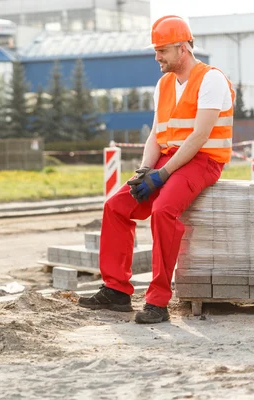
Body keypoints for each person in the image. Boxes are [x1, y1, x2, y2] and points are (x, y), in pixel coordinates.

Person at [78, 15, 235, 324]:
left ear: (182, 49)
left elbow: (199, 137)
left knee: (163, 210)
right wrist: (145, 170)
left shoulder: (211, 79)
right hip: (168, 158)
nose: (156, 57)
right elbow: (156, 134)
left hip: (204, 160)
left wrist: (161, 177)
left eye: (162, 50)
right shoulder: (164, 84)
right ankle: (117, 290)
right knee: (116, 206)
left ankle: (158, 302)